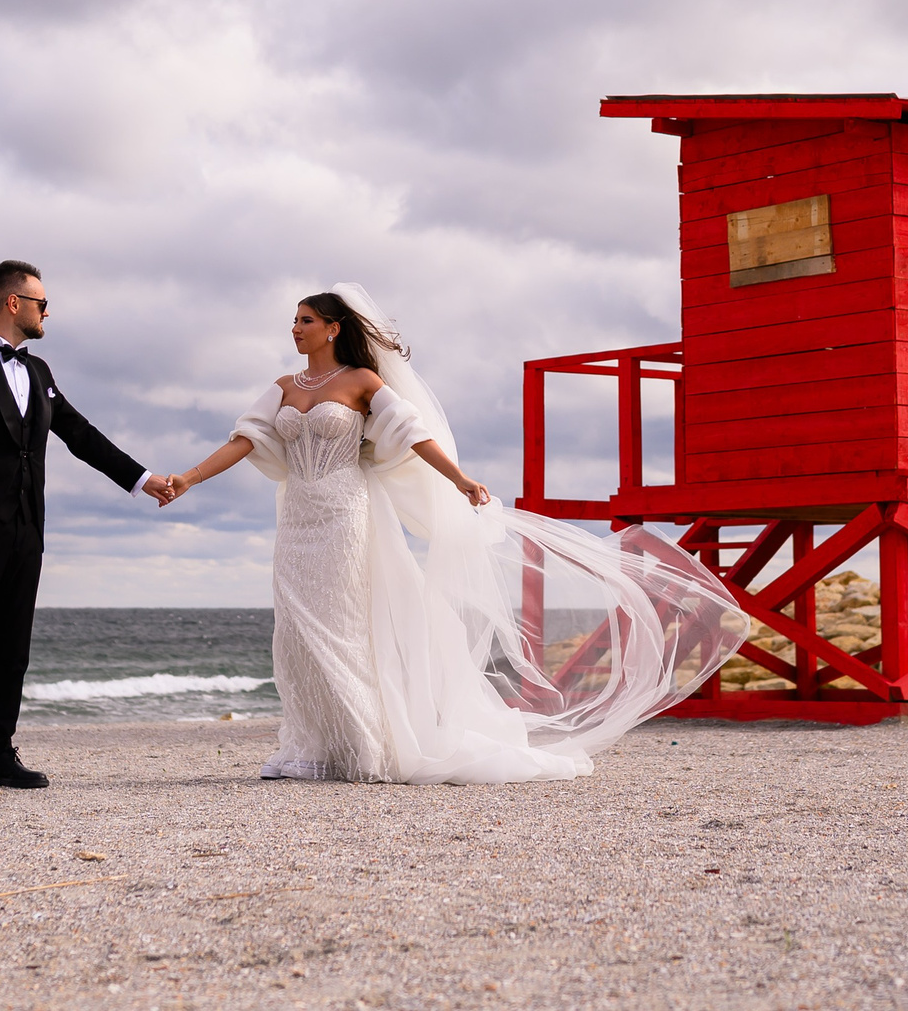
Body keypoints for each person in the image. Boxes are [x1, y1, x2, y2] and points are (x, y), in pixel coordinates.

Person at [160, 285, 746, 784]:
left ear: (333, 328)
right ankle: (313, 749)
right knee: (296, 630)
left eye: (305, 320)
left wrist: (462, 480)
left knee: (340, 626)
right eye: (293, 320)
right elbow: (246, 439)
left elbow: (413, 435)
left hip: (345, 512)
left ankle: (364, 749)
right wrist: (188, 477)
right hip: (297, 518)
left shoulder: (363, 379)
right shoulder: (284, 385)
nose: (294, 328)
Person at [0, 260, 175, 796]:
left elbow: (80, 433)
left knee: (14, 647)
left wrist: (140, 478)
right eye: (40, 302)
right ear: (13, 303)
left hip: (28, 530)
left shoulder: (40, 372)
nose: (46, 311)